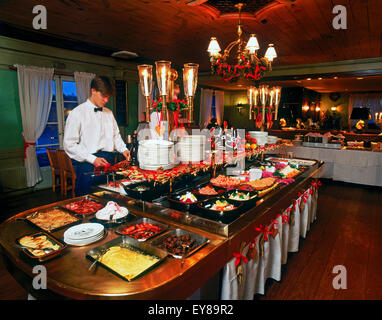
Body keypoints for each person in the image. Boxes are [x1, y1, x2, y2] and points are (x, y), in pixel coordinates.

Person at [64, 76, 130, 196]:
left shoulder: (109, 113)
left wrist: (123, 149)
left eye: (108, 97)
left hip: (108, 163)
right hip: (88, 164)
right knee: (87, 202)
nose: (106, 100)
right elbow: (69, 145)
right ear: (93, 91)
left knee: (110, 200)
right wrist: (92, 159)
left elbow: (116, 135)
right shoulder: (77, 113)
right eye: (103, 96)